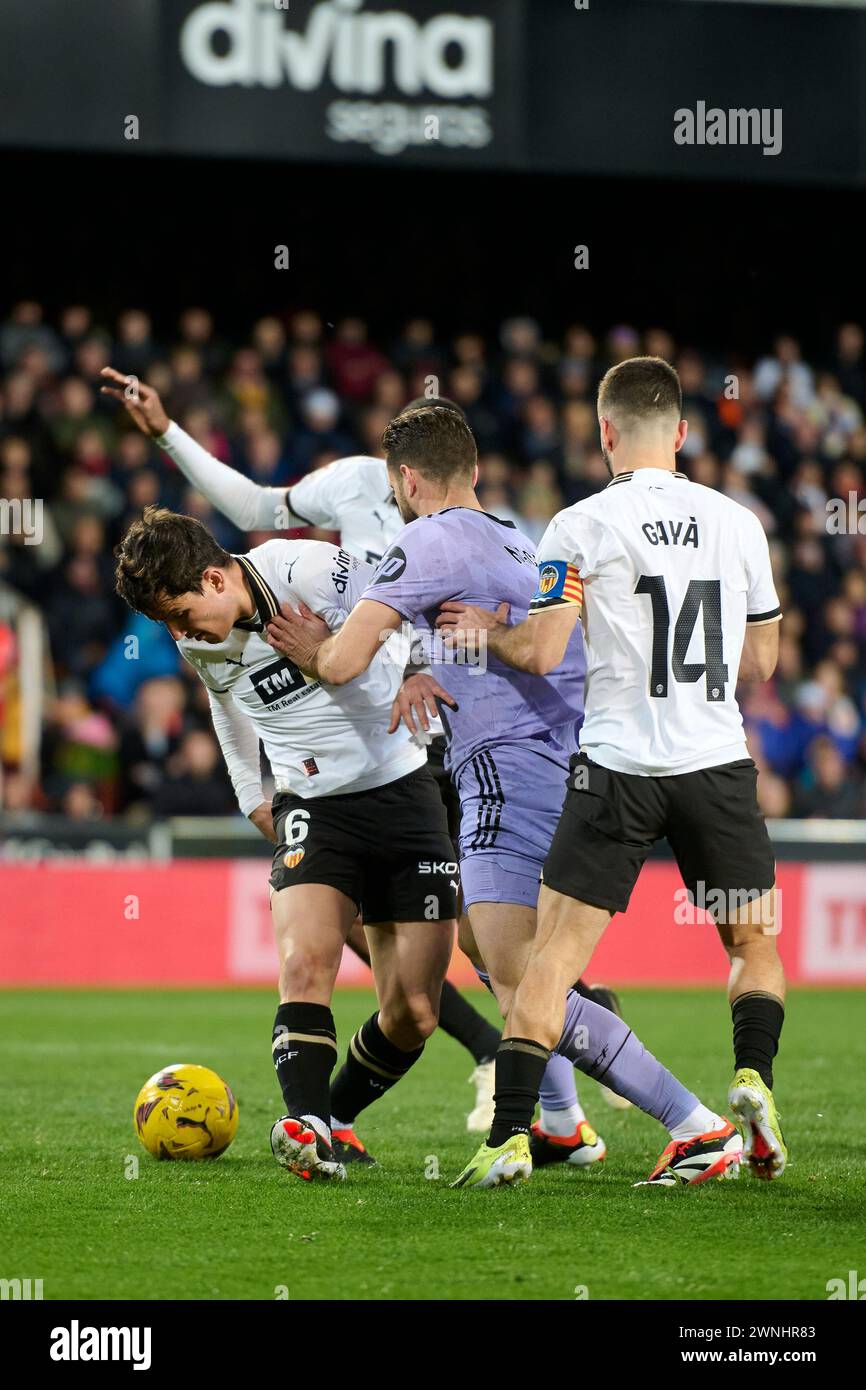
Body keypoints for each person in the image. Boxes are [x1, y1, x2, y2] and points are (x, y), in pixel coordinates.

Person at [101, 365, 616, 1143]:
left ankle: (561, 1072)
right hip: (337, 775)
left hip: (428, 742)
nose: (405, 481)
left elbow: (410, 615)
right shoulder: (342, 488)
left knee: (477, 955)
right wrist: (168, 432)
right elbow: (255, 509)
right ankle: (330, 1120)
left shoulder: (417, 541)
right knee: (347, 958)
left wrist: (411, 666)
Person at [265, 404, 741, 1187]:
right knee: (487, 951)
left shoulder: (427, 539)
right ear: (476, 471)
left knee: (524, 974)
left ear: (407, 480)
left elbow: (345, 662)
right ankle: (561, 1123)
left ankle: (696, 1126)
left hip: (507, 773)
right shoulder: (517, 537)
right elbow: (508, 642)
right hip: (568, 761)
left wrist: (315, 649)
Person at [440, 356, 787, 1186]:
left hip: (619, 768)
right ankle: (753, 1080)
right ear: (682, 433)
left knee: (551, 961)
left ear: (604, 433)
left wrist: (484, 631)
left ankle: (513, 1138)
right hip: (715, 764)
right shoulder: (739, 521)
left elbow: (541, 650)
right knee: (751, 943)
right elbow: (764, 662)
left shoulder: (578, 525)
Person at [114, 506, 459, 1181]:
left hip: (403, 786)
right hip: (313, 805)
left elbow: (404, 597)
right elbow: (226, 702)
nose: (180, 635)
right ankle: (307, 1129)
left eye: (181, 616)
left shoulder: (304, 568)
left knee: (415, 1011)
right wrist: (252, 795)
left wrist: (414, 666)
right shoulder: (198, 637)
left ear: (216, 579)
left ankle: (331, 1116)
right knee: (305, 964)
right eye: (167, 626)